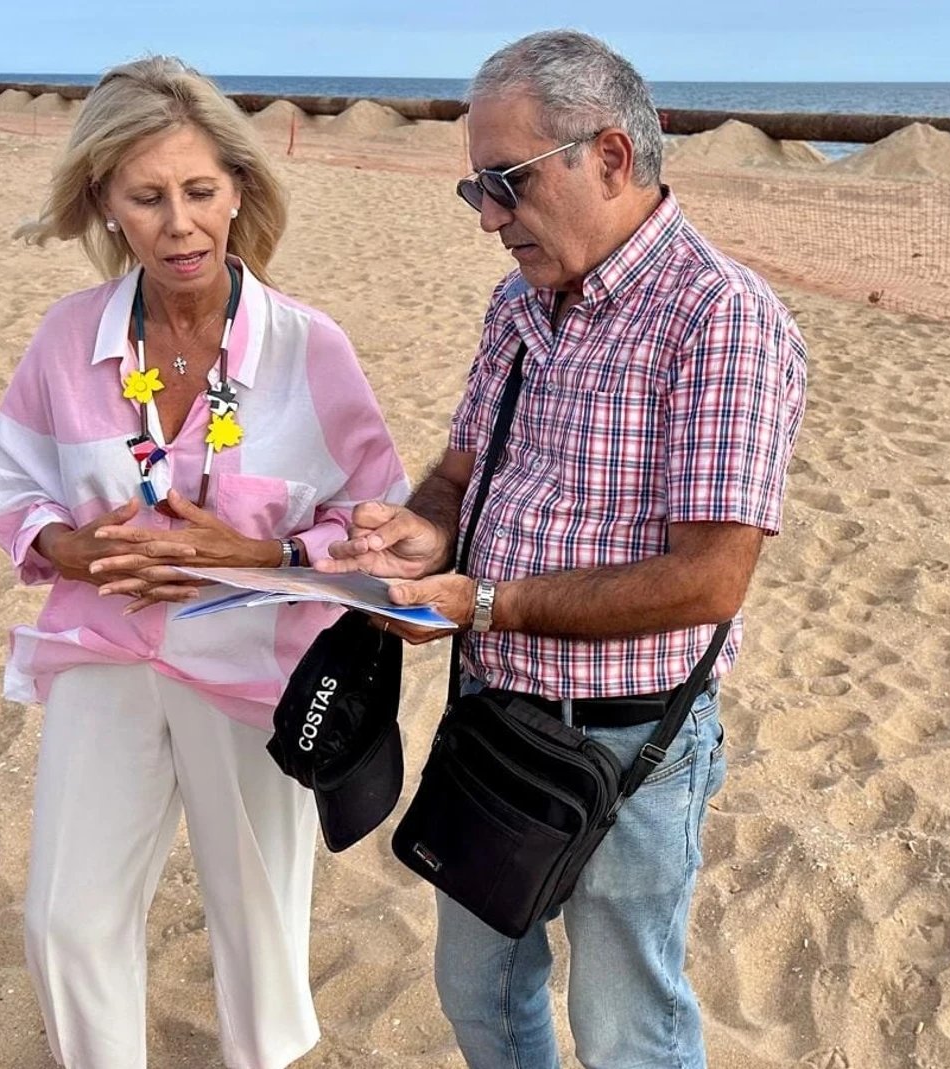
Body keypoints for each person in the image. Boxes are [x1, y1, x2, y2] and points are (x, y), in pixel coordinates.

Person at [319, 29, 807, 1069]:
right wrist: (415, 536)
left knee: (626, 1025)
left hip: (632, 742)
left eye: (505, 182)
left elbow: (711, 577)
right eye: (474, 192)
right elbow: (459, 476)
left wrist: (485, 602)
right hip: (495, 716)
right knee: (478, 988)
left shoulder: (720, 318)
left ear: (612, 158)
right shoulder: (519, 302)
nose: (489, 218)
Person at [0, 56, 407, 1069]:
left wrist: (256, 553)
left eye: (201, 191)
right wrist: (73, 547)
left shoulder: (311, 349)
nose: (180, 222)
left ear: (239, 192)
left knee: (261, 937)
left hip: (256, 670)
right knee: (64, 919)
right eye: (149, 196)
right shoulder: (64, 338)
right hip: (105, 657)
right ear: (104, 203)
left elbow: (378, 524)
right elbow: (12, 487)